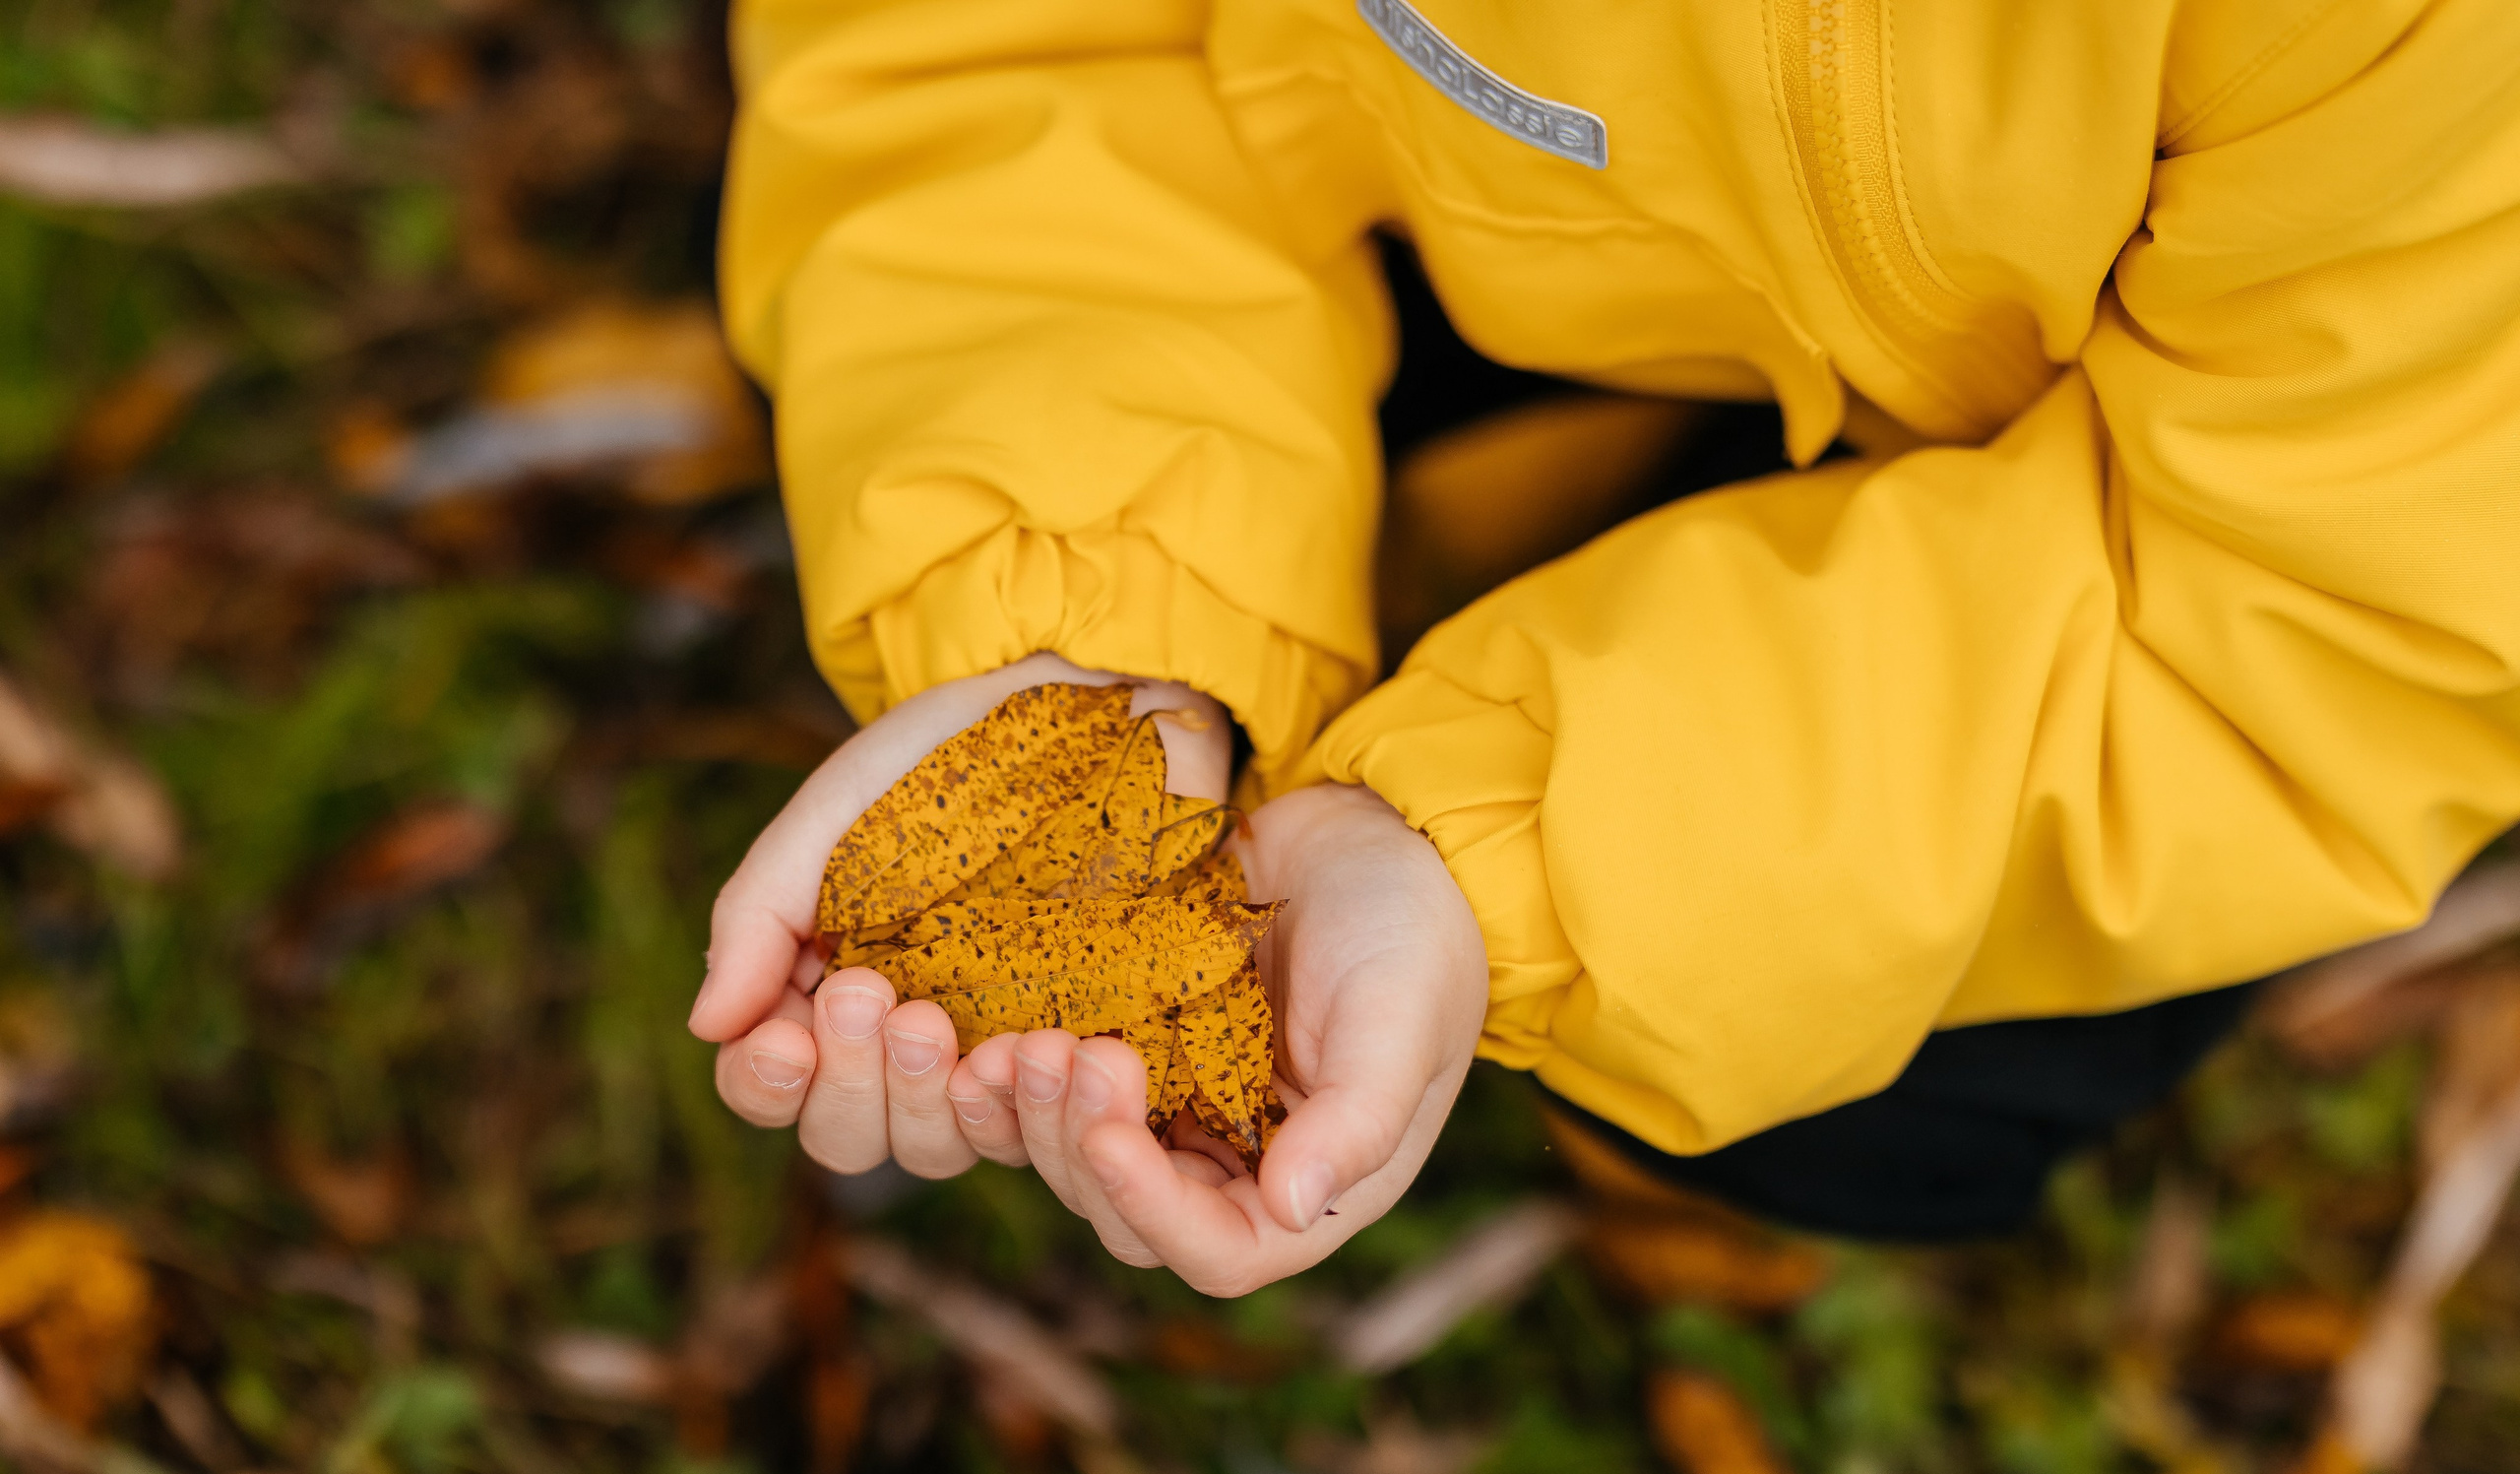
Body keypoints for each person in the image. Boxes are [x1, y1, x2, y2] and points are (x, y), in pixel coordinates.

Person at [687, 0, 2520, 1287]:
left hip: (2213, 480)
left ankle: (1674, 1114)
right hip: (1404, 170)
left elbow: (2293, 616)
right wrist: (1083, 615)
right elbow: (1000, 57)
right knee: (978, 368)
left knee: (1876, 1090)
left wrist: (1520, 867)